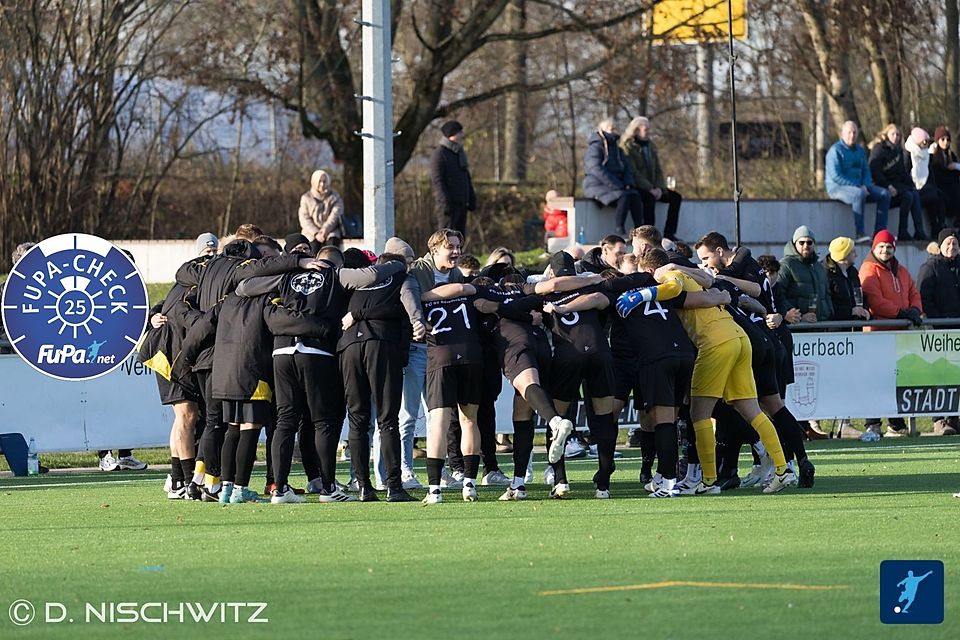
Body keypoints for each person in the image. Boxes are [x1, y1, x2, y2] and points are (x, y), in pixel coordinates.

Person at [399, 230, 465, 490]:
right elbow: (408, 299)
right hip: (417, 350)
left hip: (443, 353)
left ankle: (438, 471)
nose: (457, 252)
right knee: (408, 415)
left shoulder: (457, 274)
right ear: (435, 249)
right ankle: (405, 470)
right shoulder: (417, 271)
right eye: (451, 247)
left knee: (439, 415)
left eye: (459, 246)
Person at [859, 230, 923, 437]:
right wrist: (901, 313)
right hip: (878, 334)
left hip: (899, 335)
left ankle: (895, 423)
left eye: (889, 246)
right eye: (881, 246)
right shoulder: (869, 269)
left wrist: (914, 309)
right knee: (876, 379)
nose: (885, 250)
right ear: (874, 248)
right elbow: (875, 301)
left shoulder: (900, 269)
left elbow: (913, 291)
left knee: (896, 379)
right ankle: (873, 422)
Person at [917, 228, 960, 436]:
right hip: (940, 331)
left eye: (955, 243)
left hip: (957, 331)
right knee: (940, 374)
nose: (952, 247)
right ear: (940, 246)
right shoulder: (931, 267)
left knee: (956, 375)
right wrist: (938, 321)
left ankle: (954, 418)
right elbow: (924, 297)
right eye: (948, 244)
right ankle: (939, 419)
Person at [826, 120, 891, 243]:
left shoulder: (860, 151)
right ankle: (860, 233)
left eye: (854, 132)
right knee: (858, 194)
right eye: (849, 132)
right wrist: (858, 186)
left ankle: (879, 234)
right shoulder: (835, 151)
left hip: (860, 186)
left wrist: (865, 185)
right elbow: (836, 176)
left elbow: (866, 171)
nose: (852, 135)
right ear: (842, 134)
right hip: (838, 188)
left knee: (884, 194)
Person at [619, 116, 682, 241]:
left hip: (654, 187)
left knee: (675, 197)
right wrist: (649, 188)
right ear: (636, 130)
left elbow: (658, 169)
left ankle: (669, 233)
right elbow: (633, 172)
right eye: (646, 129)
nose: (649, 132)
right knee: (649, 199)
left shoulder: (650, 146)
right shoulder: (627, 147)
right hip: (638, 186)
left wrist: (659, 188)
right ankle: (650, 235)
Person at [583, 117, 643, 237]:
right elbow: (595, 169)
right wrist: (617, 184)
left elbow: (627, 168)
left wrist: (628, 183)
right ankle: (619, 231)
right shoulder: (595, 147)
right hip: (597, 184)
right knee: (623, 197)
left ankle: (640, 232)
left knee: (635, 196)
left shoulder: (618, 149)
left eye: (615, 128)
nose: (615, 131)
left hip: (616, 185)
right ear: (602, 130)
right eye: (611, 128)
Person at [868, 124, 926, 240]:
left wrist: (912, 186)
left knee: (914, 193)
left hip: (897, 187)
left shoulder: (899, 151)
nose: (896, 137)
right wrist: (888, 186)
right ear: (886, 135)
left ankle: (919, 231)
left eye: (898, 134)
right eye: (893, 134)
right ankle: (902, 231)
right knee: (908, 196)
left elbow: (903, 174)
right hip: (883, 186)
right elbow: (875, 172)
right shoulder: (879, 149)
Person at [778, 225, 834, 323]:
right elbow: (777, 293)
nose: (805, 246)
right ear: (795, 243)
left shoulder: (818, 266)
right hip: (799, 326)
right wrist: (799, 316)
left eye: (809, 242)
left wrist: (829, 312)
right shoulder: (786, 265)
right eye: (801, 242)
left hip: (822, 324)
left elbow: (827, 294)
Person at [430, 120, 476, 236]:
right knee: (446, 235)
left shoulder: (459, 152)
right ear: (452, 133)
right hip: (448, 204)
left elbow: (465, 176)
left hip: (461, 202)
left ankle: (459, 254)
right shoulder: (440, 154)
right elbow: (437, 180)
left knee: (460, 236)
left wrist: (471, 197)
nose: (461, 135)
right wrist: (445, 200)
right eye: (459, 132)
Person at [904, 127, 944, 238]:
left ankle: (938, 226)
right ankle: (920, 231)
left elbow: (929, 174)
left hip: (925, 187)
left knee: (937, 195)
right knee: (924, 196)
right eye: (923, 142)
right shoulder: (909, 153)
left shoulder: (926, 154)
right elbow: (906, 172)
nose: (926, 144)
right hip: (912, 187)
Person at [824, 237, 871, 322]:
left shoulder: (852, 272)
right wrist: (850, 311)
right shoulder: (826, 274)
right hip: (835, 328)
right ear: (844, 254)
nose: (856, 255)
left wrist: (865, 310)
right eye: (853, 252)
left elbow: (861, 295)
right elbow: (827, 304)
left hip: (854, 325)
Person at [298, 169, 345, 252]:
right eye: (319, 181)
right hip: (311, 232)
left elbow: (335, 215)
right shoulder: (306, 198)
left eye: (324, 181)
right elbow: (304, 219)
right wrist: (316, 233)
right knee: (312, 248)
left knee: (332, 248)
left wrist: (325, 230)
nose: (322, 184)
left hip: (331, 230)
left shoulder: (335, 197)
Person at [930, 126, 960, 223]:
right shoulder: (933, 156)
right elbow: (936, 173)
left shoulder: (951, 155)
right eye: (942, 139)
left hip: (952, 185)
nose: (945, 142)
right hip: (941, 186)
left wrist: (955, 167)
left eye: (947, 140)